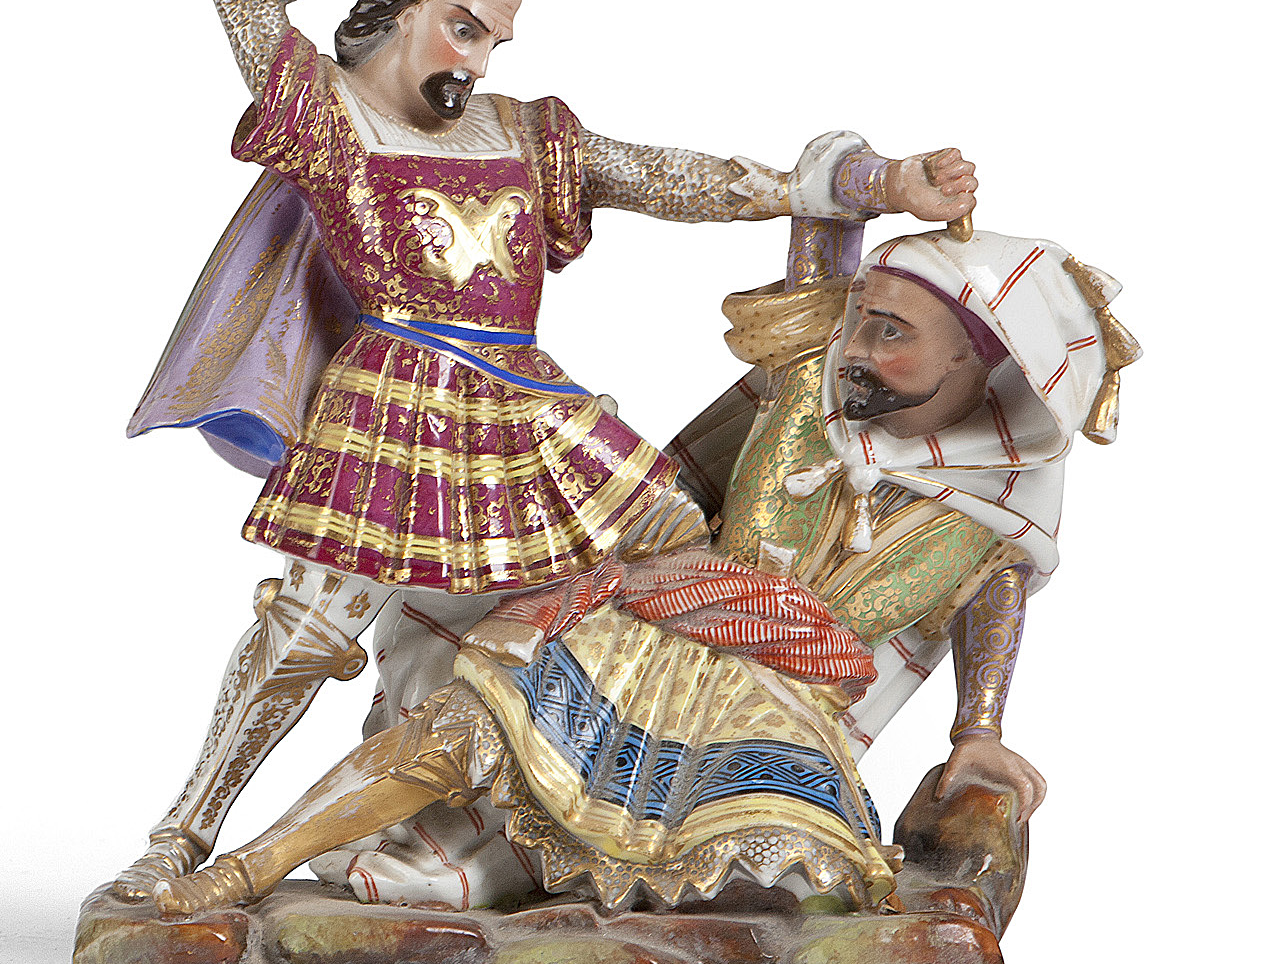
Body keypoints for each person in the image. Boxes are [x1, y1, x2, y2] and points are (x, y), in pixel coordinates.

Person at [112, 0, 980, 902]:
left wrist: (869, 186)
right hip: (394, 407)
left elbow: (665, 177)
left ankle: (608, 808)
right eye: (463, 26)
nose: (478, 63)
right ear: (400, 5)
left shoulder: (521, 133)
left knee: (676, 562)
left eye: (494, 40)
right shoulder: (329, 115)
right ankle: (183, 833)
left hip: (531, 415)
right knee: (304, 631)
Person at [153, 226, 1136, 916]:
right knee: (458, 726)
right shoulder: (804, 384)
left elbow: (989, 610)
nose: (859, 348)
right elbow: (813, 229)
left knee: (781, 882)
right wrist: (870, 179)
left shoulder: (993, 513)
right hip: (649, 620)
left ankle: (536, 894)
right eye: (864, 318)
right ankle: (244, 870)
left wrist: (977, 732)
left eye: (893, 333)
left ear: (978, 359)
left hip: (777, 708)